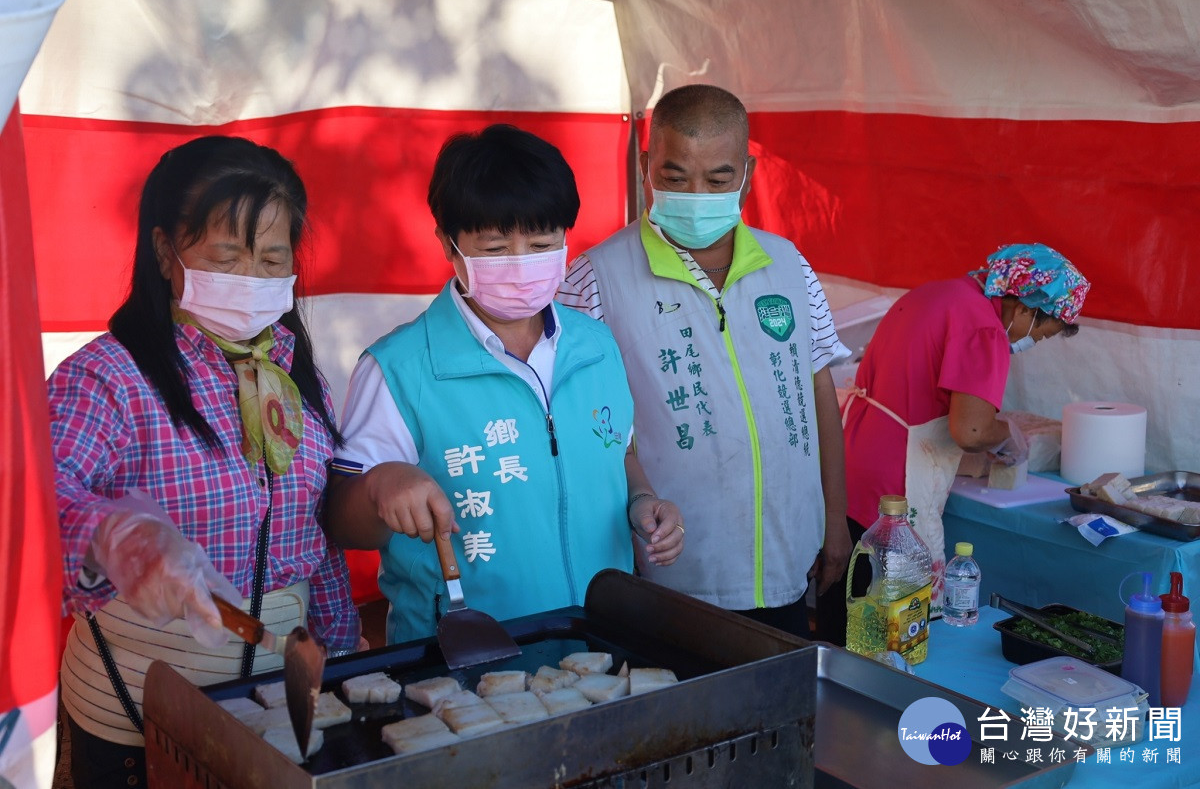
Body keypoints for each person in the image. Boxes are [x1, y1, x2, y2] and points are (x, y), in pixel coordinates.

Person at [48, 135, 361, 788]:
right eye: (229, 256)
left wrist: (341, 640)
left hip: (274, 711)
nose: (253, 279)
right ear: (166, 252)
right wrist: (117, 535)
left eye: (273, 259)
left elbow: (317, 530)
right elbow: (41, 498)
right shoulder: (110, 377)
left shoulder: (298, 377)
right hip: (132, 712)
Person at [324, 124, 683, 645]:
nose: (520, 263)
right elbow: (340, 522)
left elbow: (617, 453)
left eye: (541, 243)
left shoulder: (596, 344)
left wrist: (643, 501)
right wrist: (380, 488)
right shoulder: (399, 368)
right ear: (449, 246)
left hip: (601, 645)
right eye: (495, 247)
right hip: (461, 663)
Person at [556, 84, 851, 639]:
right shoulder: (595, 279)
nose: (696, 194)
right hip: (668, 572)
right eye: (674, 177)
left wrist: (835, 521)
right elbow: (579, 424)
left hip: (787, 559)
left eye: (717, 179)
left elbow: (819, 396)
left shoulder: (789, 265)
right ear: (645, 166)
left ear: (748, 172)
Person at [817, 243, 1090, 644]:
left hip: (854, 460)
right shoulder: (984, 327)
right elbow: (972, 431)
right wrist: (1008, 434)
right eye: (1042, 334)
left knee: (843, 606)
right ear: (1025, 309)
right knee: (883, 631)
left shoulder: (940, 293)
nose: (1033, 343)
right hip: (895, 484)